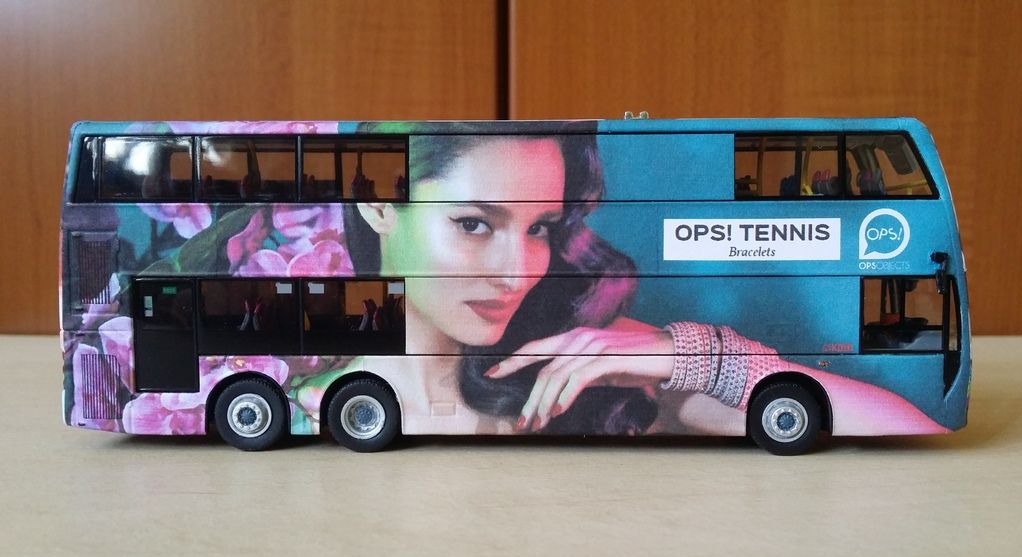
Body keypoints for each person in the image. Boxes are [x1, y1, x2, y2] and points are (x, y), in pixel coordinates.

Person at [343, 127, 946, 437]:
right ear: (377, 203)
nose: (519, 272)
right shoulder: (311, 392)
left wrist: (692, 358)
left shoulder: (586, 357)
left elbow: (909, 429)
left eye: (540, 228)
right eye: (474, 223)